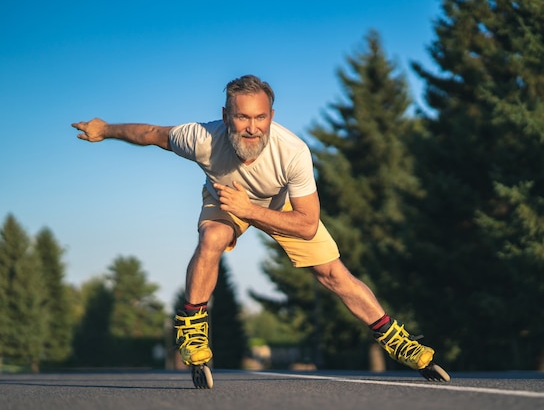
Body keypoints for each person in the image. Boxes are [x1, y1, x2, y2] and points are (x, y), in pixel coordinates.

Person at [71, 74, 448, 381]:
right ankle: (192, 325)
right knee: (212, 237)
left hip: (281, 208)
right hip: (225, 199)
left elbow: (307, 223)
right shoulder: (201, 138)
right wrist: (105, 129)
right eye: (242, 117)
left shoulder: (293, 152)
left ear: (271, 115)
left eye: (260, 118)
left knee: (332, 273)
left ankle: (395, 339)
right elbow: (151, 133)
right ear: (225, 114)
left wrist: (251, 209)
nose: (252, 128)